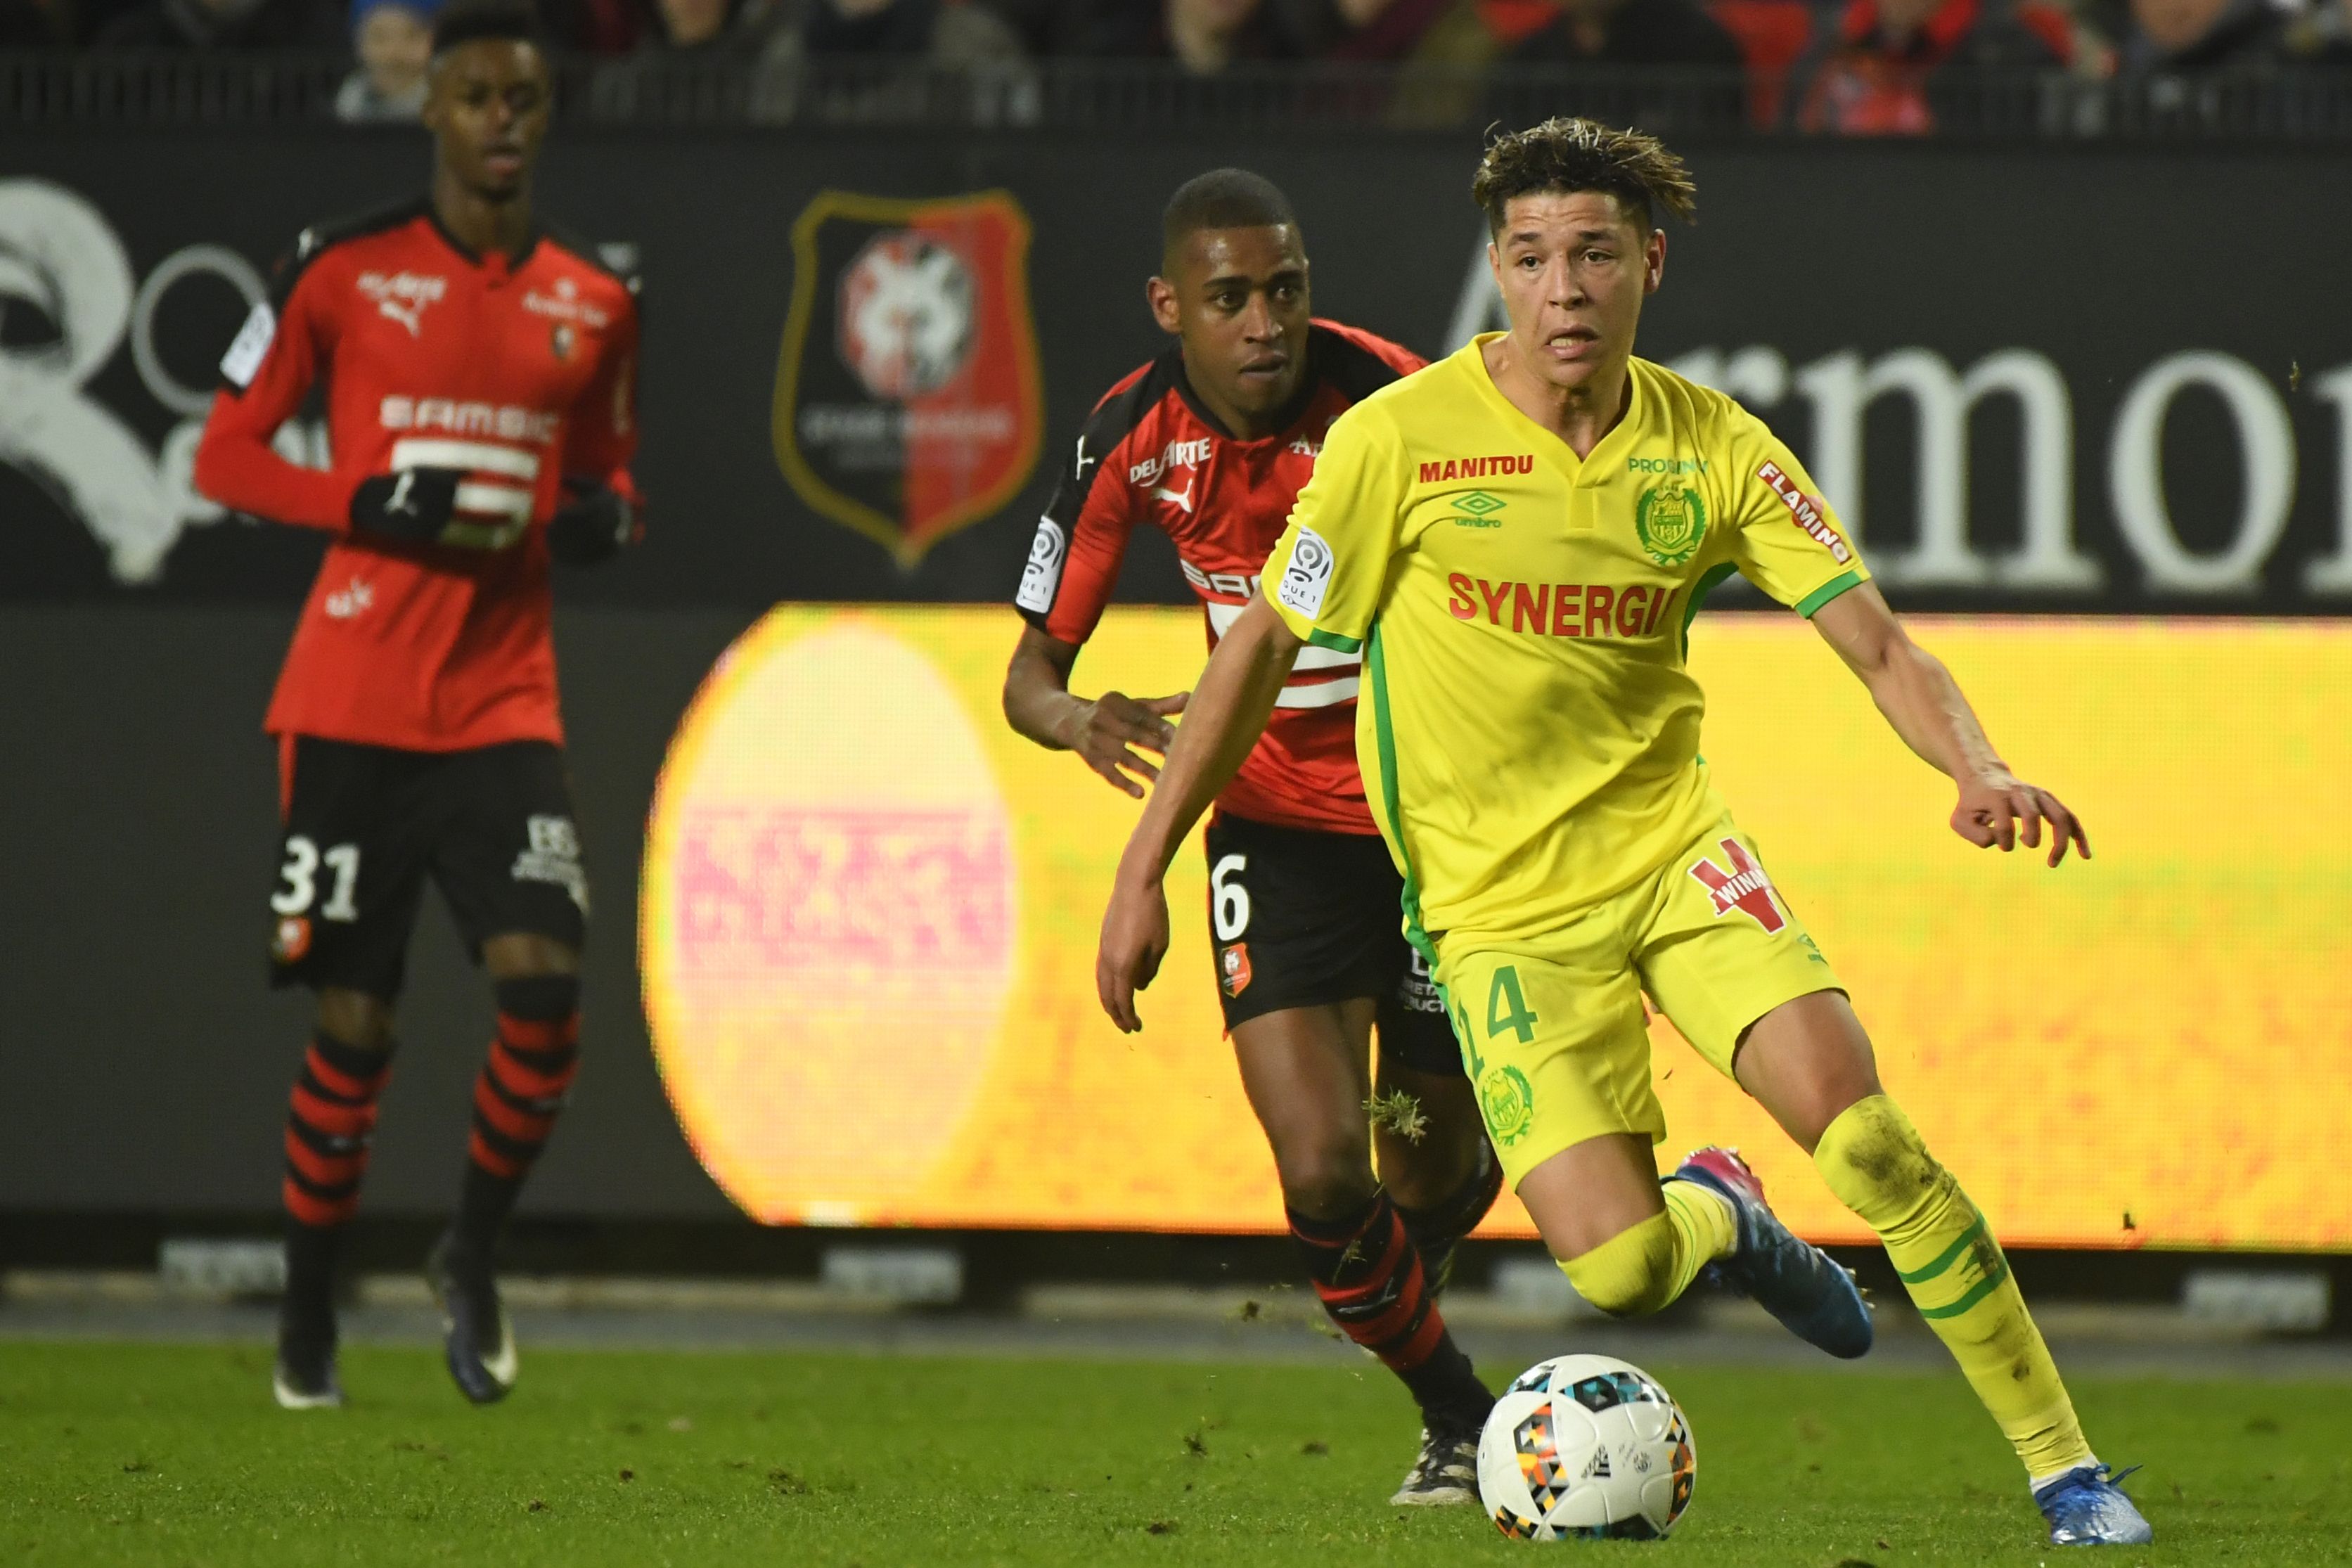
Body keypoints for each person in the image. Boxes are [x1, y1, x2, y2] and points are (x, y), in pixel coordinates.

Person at [1095, 118, 2154, 1549]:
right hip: (1498, 918)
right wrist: (1140, 862)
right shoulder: (1395, 444)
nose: (1563, 291)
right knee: (1621, 1268)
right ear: (1495, 272)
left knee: (1873, 1139)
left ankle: (2066, 1470)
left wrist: (1975, 765)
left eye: (1593, 254)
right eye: (1530, 259)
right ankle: (1722, 1208)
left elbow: (1880, 644)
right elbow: (1255, 653)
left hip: (1673, 862)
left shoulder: (1712, 446)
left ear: (1647, 263)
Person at [1005, 168, 1504, 1505]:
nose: (1266, 322)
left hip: (1429, 829)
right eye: (1230, 299)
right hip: (1273, 830)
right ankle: (1462, 1418)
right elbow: (1028, 677)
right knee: (1325, 1168)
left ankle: (1440, 1231)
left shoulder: (1398, 405)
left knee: (1428, 1167)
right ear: (1173, 306)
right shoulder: (1129, 438)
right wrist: (1080, 723)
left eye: (1284, 288)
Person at [192, 0, 644, 1412]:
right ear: (432, 110)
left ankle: (473, 1250)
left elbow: (614, 485)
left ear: (544, 114)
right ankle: (309, 1307)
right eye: (475, 96)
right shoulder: (338, 269)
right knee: (357, 1023)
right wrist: (358, 501)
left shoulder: (595, 299)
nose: (501, 119)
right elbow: (223, 452)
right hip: (351, 695)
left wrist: (598, 525)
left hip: (503, 700)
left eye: (523, 97)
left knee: (549, 987)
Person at [338, 0, 443, 123]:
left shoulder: (447, 98)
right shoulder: (352, 98)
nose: (394, 53)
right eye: (380, 38)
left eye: (411, 36)